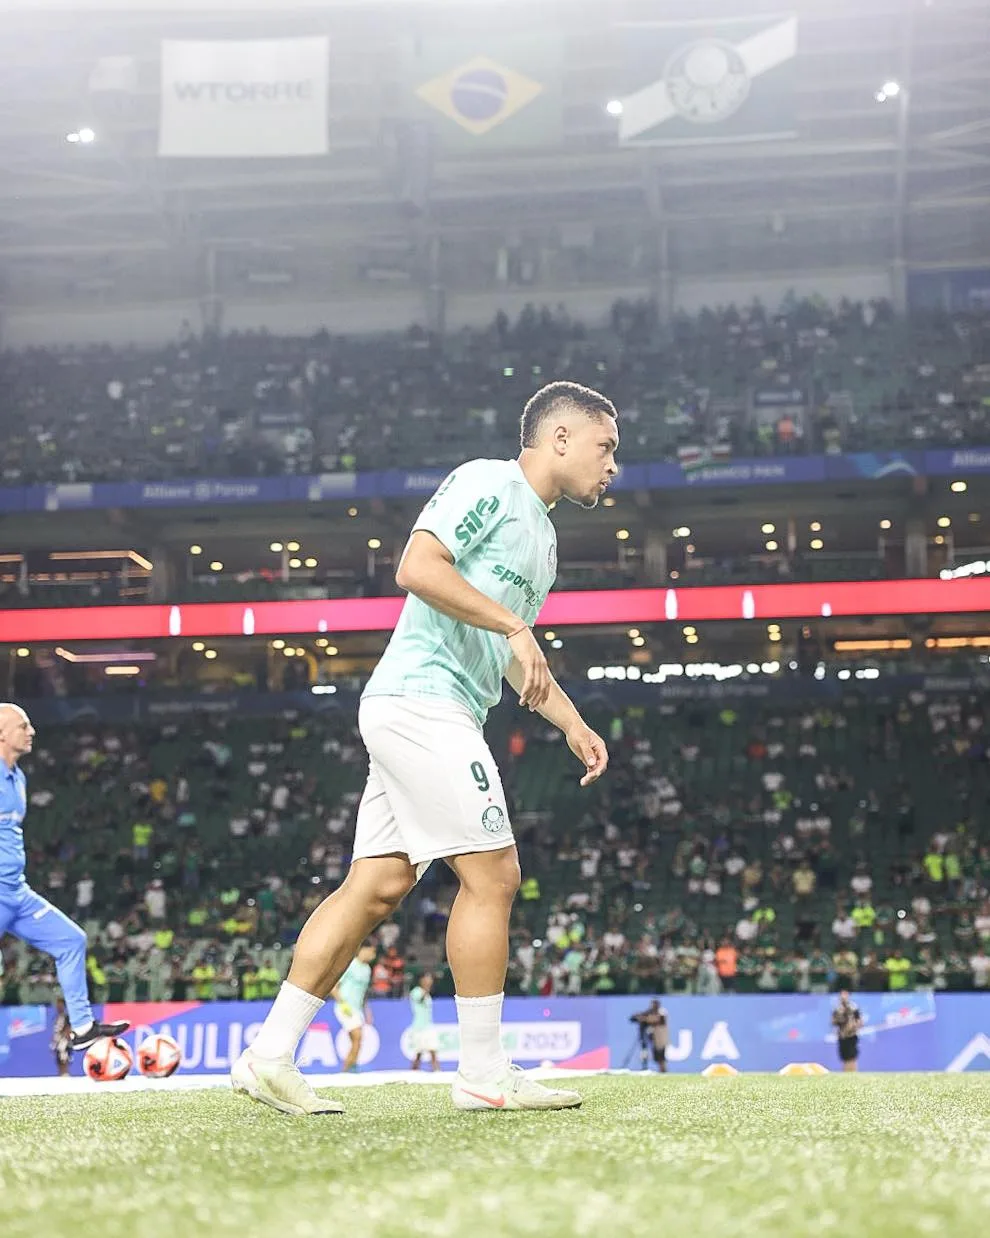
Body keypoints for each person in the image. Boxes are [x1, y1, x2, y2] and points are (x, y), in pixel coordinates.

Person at [232, 381, 617, 1116]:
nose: (613, 467)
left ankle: (267, 1055)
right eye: (606, 448)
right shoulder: (487, 482)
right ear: (560, 438)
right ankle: (480, 1071)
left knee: (376, 886)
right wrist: (513, 626)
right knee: (495, 876)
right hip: (420, 701)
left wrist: (570, 721)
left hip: (442, 712)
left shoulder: (545, 541)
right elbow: (417, 567)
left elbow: (511, 651)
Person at [0, 704, 128, 1051]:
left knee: (72, 940)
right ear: (1, 734)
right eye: (23, 726)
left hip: (16, 893)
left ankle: (83, 1027)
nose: (31, 731)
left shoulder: (18, 777)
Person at [332, 943, 375, 1073]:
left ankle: (352, 1066)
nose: (373, 956)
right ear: (363, 950)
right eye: (371, 952)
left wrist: (367, 1011)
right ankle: (347, 1070)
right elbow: (334, 986)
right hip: (345, 1008)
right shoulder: (350, 965)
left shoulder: (367, 969)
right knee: (358, 1037)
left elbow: (363, 993)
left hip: (357, 1010)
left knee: (356, 1041)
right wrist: (342, 1003)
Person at [409, 972, 440, 1072]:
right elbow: (420, 998)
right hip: (418, 1027)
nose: (429, 981)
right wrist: (427, 987)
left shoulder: (428, 995)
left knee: (433, 1050)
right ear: (421, 980)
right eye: (427, 979)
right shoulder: (416, 991)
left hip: (428, 1026)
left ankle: (437, 1072)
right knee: (418, 1054)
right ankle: (413, 1072)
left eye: (430, 979)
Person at [630, 999, 669, 1073]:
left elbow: (657, 1019)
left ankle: (664, 1072)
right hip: (655, 1039)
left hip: (661, 1038)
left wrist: (643, 1019)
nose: (652, 1007)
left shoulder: (662, 1012)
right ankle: (662, 1072)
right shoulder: (651, 1012)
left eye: (654, 1005)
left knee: (661, 1058)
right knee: (657, 1058)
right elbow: (636, 1017)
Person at [831, 989, 863, 1072]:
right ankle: (846, 1073)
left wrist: (854, 1026)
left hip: (851, 1034)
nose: (843, 997)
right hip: (842, 1035)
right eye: (842, 995)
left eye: (845, 995)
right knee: (845, 1057)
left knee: (852, 1056)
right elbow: (833, 1021)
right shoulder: (837, 1009)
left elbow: (859, 1020)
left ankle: (853, 1072)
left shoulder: (853, 1007)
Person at [51, 997, 72, 1078]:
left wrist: (65, 1038)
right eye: (57, 1005)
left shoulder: (66, 1017)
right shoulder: (56, 1017)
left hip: (63, 1041)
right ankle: (61, 1074)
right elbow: (55, 1030)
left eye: (60, 1005)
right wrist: (54, 1041)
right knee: (58, 1058)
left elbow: (68, 1028)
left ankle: (65, 1073)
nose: (58, 1007)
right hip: (57, 1041)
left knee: (64, 1057)